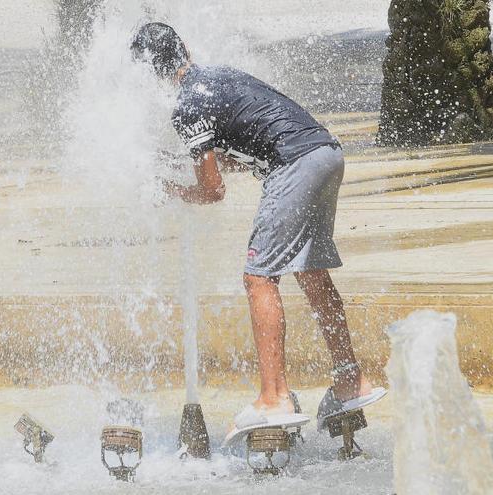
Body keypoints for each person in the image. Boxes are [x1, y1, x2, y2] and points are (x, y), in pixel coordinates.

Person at [131, 23, 386, 430]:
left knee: (259, 279)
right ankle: (349, 380)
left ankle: (274, 397)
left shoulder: (187, 106)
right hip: (325, 152)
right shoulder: (218, 77)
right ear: (185, 48)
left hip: (295, 166)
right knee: (310, 271)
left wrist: (173, 190)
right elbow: (245, 148)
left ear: (148, 74)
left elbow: (213, 192)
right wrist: (184, 164)